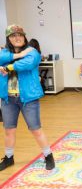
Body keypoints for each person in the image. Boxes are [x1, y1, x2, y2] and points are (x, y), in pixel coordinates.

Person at [0, 25, 55, 170]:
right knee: (9, 130)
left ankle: (48, 155)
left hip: (28, 99)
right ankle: (9, 157)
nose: (17, 38)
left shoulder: (32, 52)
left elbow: (28, 63)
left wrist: (8, 67)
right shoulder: (5, 53)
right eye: (13, 36)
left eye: (20, 35)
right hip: (8, 99)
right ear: (8, 39)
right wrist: (16, 56)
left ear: (24, 37)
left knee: (35, 129)